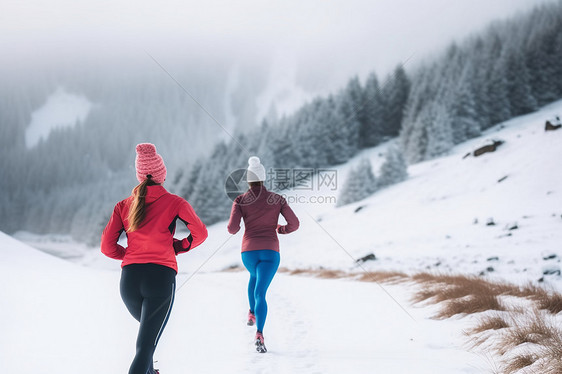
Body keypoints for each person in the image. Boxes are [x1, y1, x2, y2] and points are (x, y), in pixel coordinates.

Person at [101, 143, 208, 374]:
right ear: (161, 174)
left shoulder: (123, 206)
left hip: (129, 282)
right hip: (160, 278)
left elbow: (107, 248)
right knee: (145, 346)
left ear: (139, 176)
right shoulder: (175, 203)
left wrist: (130, 254)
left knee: (147, 340)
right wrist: (178, 247)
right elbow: (201, 234)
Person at [227, 156, 299, 353]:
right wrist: (280, 230)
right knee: (260, 292)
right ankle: (259, 332)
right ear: (263, 178)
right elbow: (295, 224)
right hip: (270, 251)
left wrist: (241, 223)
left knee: (253, 277)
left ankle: (251, 313)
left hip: (248, 252)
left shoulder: (240, 200)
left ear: (249, 180)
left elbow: (232, 229)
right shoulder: (277, 199)